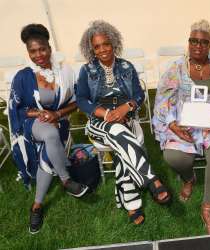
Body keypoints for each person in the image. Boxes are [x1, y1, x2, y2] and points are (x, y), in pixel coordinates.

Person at [76, 20, 171, 225]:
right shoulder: (87, 71)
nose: (102, 50)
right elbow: (82, 100)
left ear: (114, 43)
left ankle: (131, 203)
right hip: (99, 120)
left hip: (125, 116)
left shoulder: (127, 67)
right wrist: (105, 113)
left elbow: (138, 95)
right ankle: (151, 178)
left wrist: (126, 107)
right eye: (97, 46)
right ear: (91, 49)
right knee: (120, 133)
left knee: (121, 148)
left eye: (106, 44)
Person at [153, 19, 210, 234]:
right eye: (193, 40)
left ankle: (208, 208)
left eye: (203, 42)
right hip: (185, 124)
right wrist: (172, 123)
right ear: (188, 42)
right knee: (174, 157)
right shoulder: (176, 68)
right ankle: (189, 177)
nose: (197, 46)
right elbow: (163, 99)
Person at [8, 24, 89, 234]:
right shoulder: (23, 76)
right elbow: (17, 109)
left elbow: (77, 101)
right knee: (50, 133)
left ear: (49, 48)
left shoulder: (64, 71)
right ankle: (66, 180)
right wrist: (40, 114)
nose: (38, 55)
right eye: (33, 51)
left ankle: (36, 206)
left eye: (42, 49)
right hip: (32, 123)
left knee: (47, 150)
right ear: (28, 53)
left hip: (58, 120)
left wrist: (56, 114)